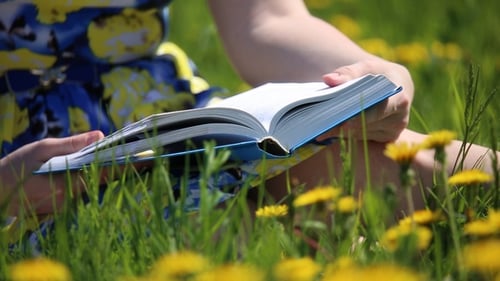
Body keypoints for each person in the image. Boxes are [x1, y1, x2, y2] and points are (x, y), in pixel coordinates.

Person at [1, 0, 498, 226]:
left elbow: (267, 19)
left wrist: (367, 76)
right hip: (19, 163)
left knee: (443, 174)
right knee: (219, 234)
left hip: (167, 115)